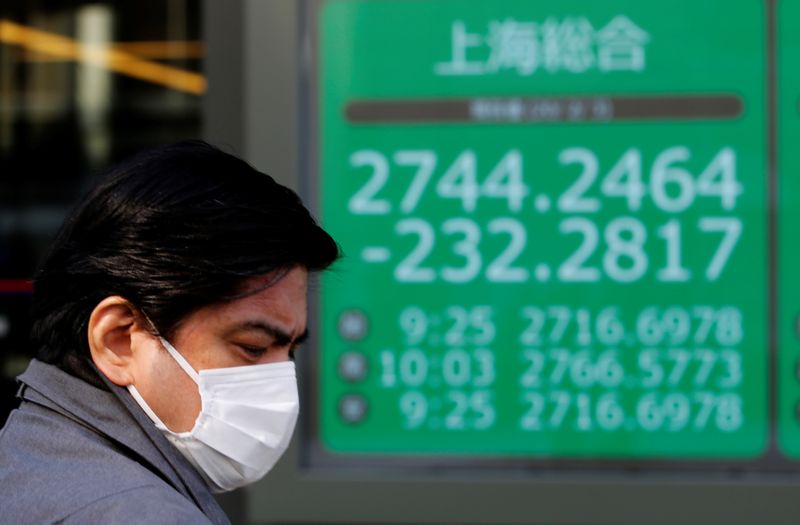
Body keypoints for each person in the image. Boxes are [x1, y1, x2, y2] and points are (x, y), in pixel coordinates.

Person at [0, 141, 339, 523]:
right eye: (254, 348)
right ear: (119, 340)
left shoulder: (32, 456)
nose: (281, 389)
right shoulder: (139, 513)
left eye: (290, 351)